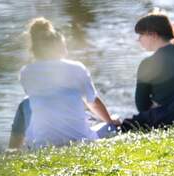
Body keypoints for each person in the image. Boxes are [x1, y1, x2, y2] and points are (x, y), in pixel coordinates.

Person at [9, 18, 119, 150]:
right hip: (81, 141)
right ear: (60, 48)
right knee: (112, 124)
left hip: (42, 145)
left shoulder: (26, 72)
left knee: (26, 104)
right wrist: (110, 120)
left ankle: (13, 149)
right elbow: (93, 102)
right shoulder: (77, 68)